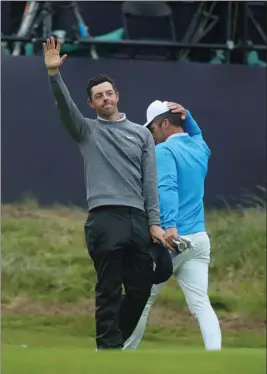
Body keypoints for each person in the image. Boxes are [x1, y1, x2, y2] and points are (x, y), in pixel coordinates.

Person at [42, 37, 167, 350]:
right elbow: (65, 108)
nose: (105, 99)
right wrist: (54, 75)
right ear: (91, 104)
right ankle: (107, 351)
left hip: (137, 218)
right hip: (103, 218)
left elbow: (150, 182)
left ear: (118, 96)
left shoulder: (141, 134)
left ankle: (114, 343)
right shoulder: (86, 131)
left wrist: (154, 222)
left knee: (140, 289)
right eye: (98, 96)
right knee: (108, 289)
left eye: (109, 93)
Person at [123, 100, 222, 351]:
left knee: (142, 298)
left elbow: (167, 188)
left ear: (165, 123)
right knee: (201, 303)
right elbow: (197, 133)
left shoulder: (164, 151)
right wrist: (189, 117)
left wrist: (169, 226)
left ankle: (121, 354)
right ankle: (216, 356)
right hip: (199, 239)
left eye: (153, 128)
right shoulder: (200, 147)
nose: (152, 135)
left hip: (175, 238)